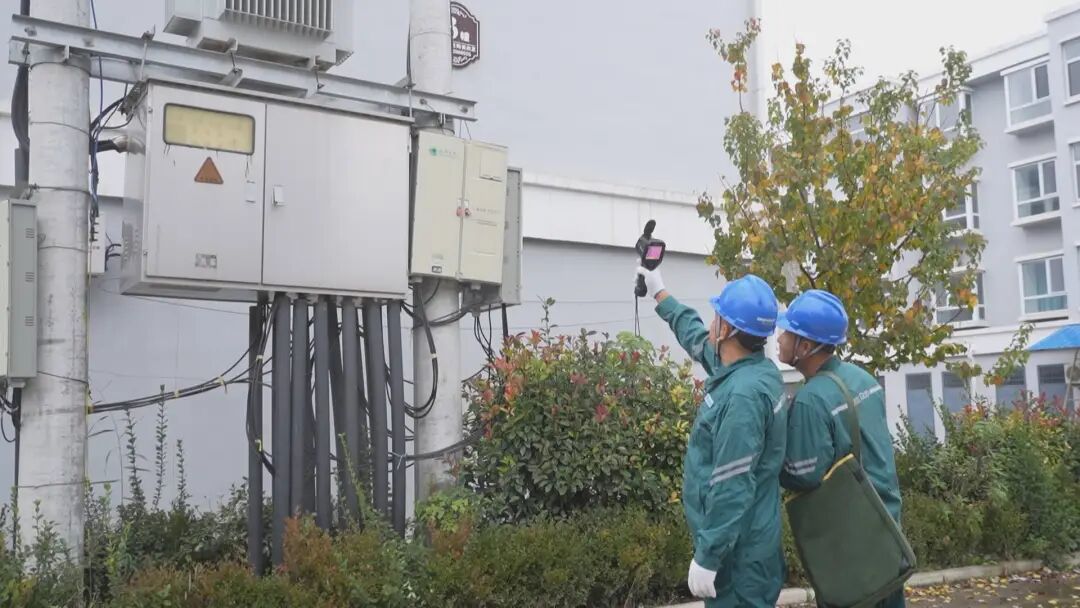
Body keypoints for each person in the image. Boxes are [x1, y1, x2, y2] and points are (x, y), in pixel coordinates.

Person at [637, 266, 787, 607]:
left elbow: (733, 485)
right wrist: (660, 292)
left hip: (738, 561)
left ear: (728, 329)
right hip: (750, 546)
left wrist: (708, 555)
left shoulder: (743, 398)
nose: (711, 323)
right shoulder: (751, 370)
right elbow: (695, 336)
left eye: (717, 316)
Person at [776, 289, 904, 608]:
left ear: (806, 347)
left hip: (852, 549)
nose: (779, 338)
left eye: (787, 332)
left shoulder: (811, 400)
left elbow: (804, 475)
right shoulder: (863, 379)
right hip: (886, 533)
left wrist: (771, 455)